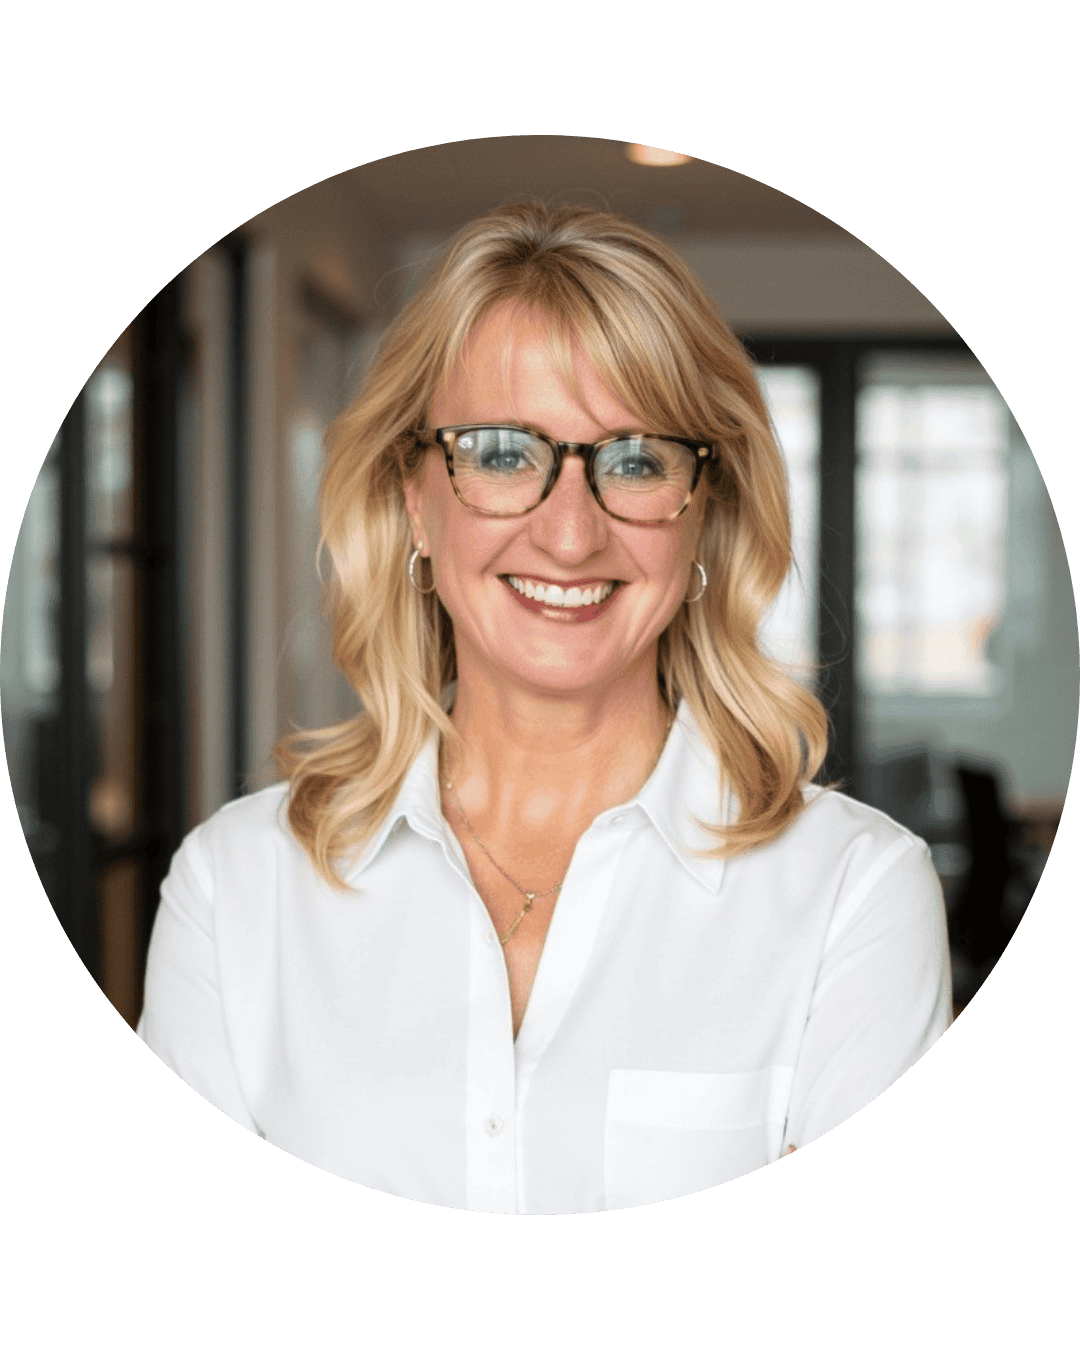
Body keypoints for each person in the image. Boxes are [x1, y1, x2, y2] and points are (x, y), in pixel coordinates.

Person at [137, 201, 952, 1213]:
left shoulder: (852, 899)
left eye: (637, 460)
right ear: (412, 499)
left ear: (703, 515)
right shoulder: (235, 893)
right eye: (502, 452)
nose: (571, 535)